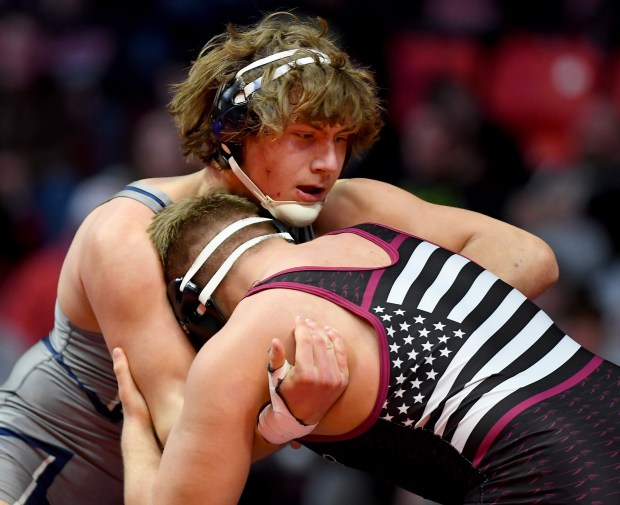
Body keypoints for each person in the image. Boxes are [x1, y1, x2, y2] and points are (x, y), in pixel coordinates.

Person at [0, 10, 558, 505]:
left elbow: (527, 256)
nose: (328, 163)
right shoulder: (124, 234)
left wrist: (390, 332)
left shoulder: (338, 206)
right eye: (306, 136)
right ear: (232, 134)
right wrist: (294, 414)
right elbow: (181, 430)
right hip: (42, 463)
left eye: (340, 139)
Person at [116, 191, 619, 505]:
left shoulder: (242, 339)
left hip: (553, 477)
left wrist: (136, 428)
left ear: (192, 304)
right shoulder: (380, 236)